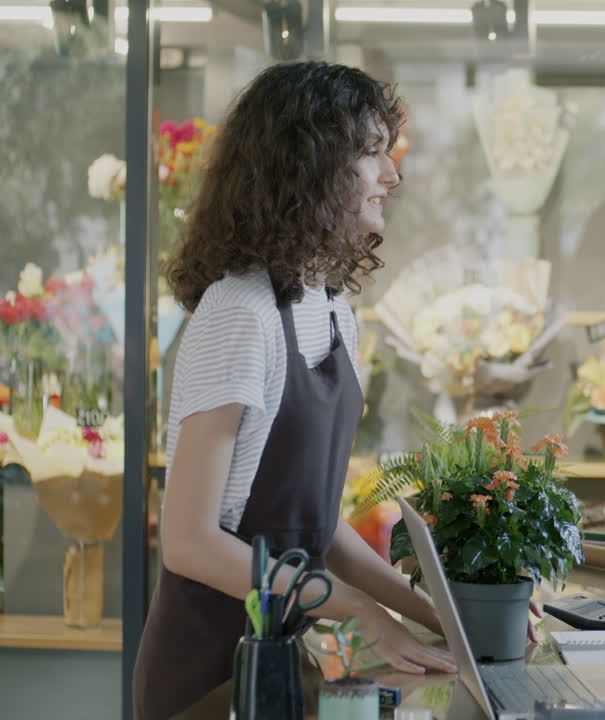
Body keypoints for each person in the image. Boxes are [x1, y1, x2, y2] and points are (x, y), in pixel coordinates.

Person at [133, 62, 462, 719]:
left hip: (283, 662)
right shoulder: (239, 313)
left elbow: (314, 521)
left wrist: (437, 613)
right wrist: (358, 610)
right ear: (308, 165)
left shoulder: (331, 307)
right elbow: (191, 542)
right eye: (371, 153)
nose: (391, 175)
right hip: (211, 678)